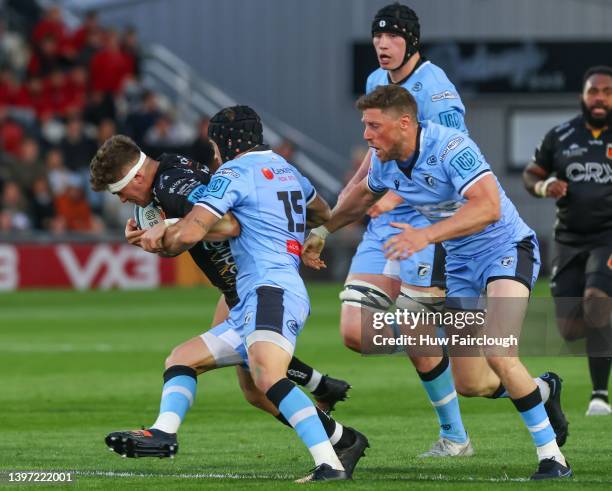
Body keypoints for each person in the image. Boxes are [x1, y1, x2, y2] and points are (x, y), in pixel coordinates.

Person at [303, 85, 572, 480]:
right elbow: (360, 199)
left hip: (506, 250)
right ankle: (543, 390)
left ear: (405, 123)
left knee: (499, 352)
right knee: (472, 383)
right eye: (366, 125)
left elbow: (488, 207)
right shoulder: (385, 160)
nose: (366, 135)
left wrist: (425, 236)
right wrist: (324, 232)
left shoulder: (451, 147)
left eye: (374, 126)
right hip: (462, 264)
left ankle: (553, 459)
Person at [89, 108, 367, 482]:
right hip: (258, 291)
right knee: (185, 359)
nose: (212, 154)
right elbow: (320, 210)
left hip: (269, 287)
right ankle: (165, 432)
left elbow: (219, 227)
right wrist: (299, 235)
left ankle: (329, 464)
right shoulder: (286, 169)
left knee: (268, 376)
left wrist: (165, 232)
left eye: (214, 144)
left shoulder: (231, 173)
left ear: (223, 142)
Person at [338, 2, 563, 457]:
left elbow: (449, 170)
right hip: (420, 229)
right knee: (466, 377)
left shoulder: (436, 93)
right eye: (377, 35)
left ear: (412, 41)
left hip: (456, 230)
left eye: (393, 35)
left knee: (491, 349)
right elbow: (377, 158)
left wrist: (404, 208)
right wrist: (328, 220)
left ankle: (528, 452)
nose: (382, 43)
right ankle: (536, 393)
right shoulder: (376, 85)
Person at [523, 65, 612, 416]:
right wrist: (545, 186)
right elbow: (532, 174)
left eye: (606, 91)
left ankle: (599, 396)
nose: (600, 98)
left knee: (596, 302)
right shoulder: (559, 136)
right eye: (594, 91)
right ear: (583, 96)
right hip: (568, 240)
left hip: (608, 238)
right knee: (570, 329)